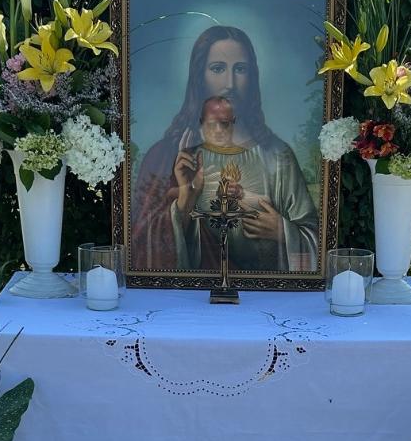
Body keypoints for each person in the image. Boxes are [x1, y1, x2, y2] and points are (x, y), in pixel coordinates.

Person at [130, 25, 319, 273]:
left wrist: (283, 231)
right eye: (218, 69)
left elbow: (316, 241)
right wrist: (184, 202)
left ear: (252, 77)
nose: (229, 83)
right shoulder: (167, 155)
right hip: (190, 293)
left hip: (265, 291)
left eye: (240, 69)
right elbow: (141, 245)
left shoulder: (277, 155)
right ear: (199, 76)